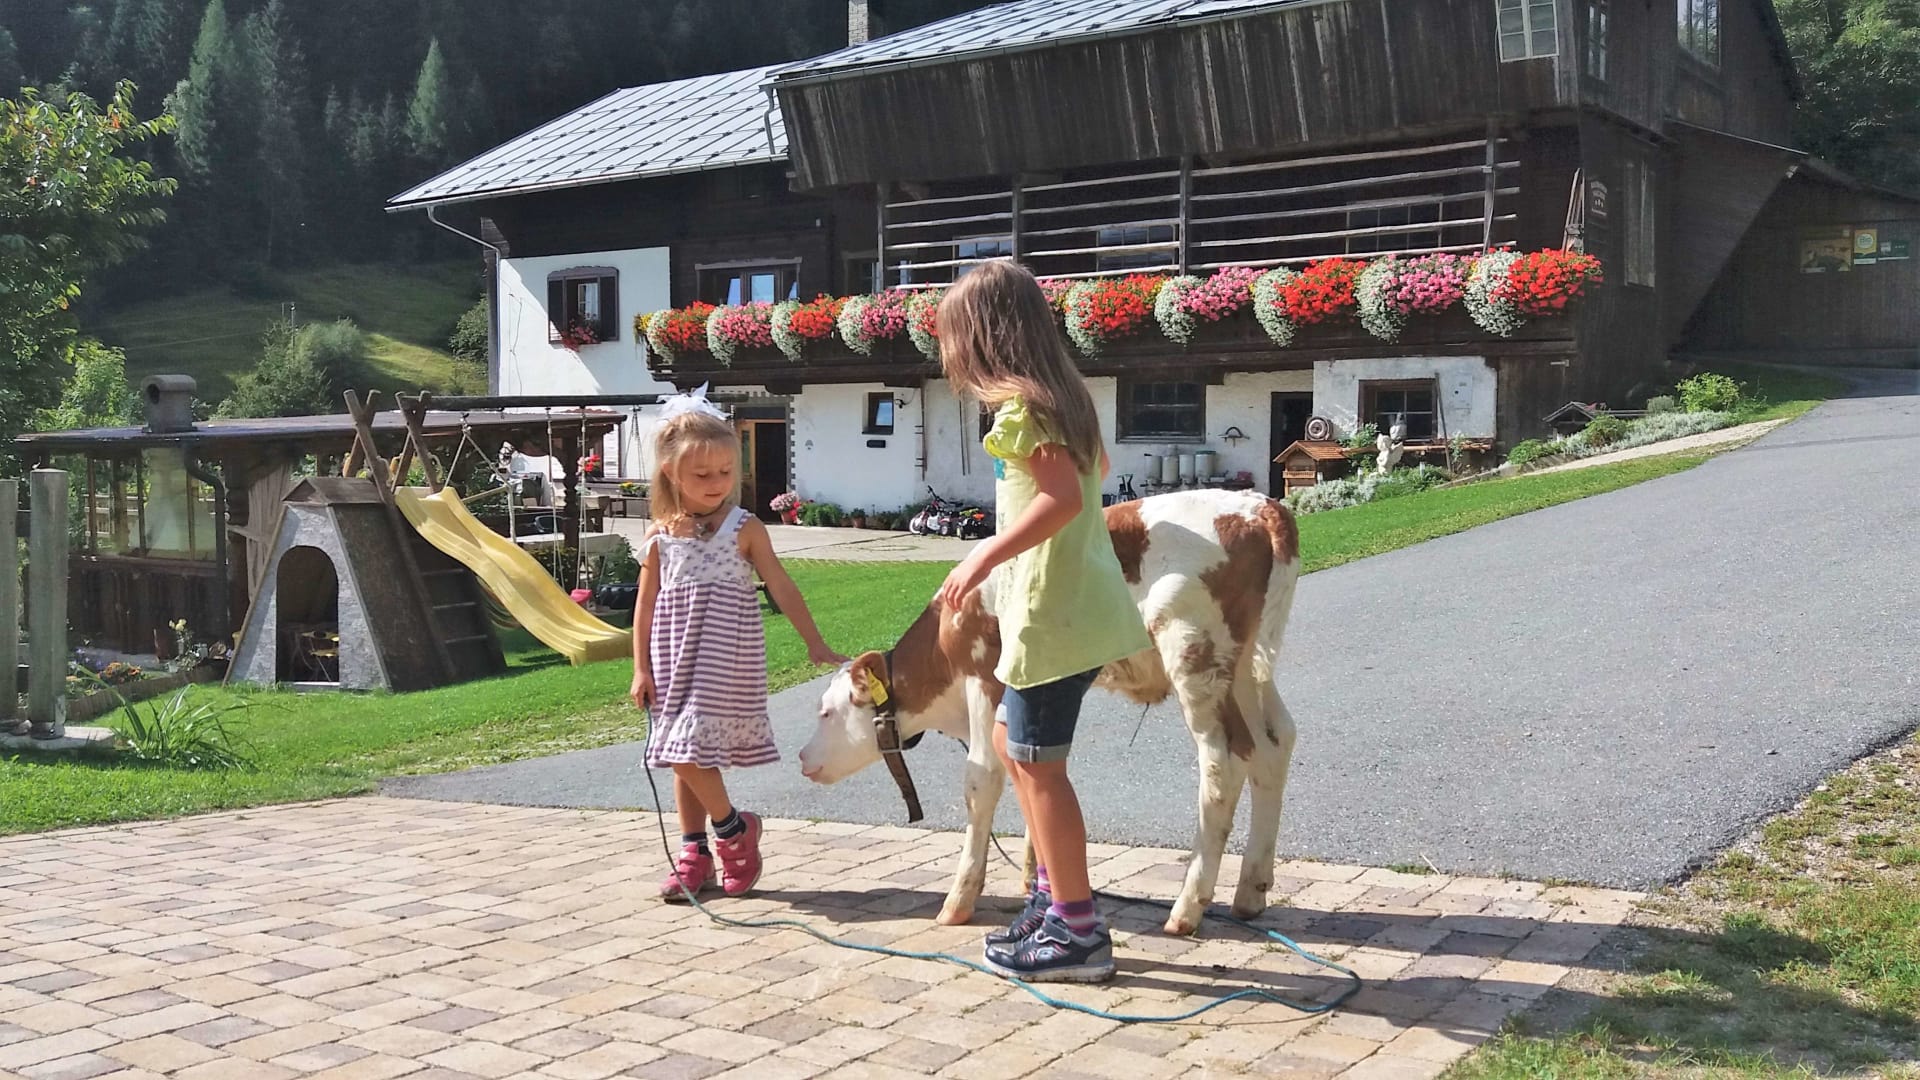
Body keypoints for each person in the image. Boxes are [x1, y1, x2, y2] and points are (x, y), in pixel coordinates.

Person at [932, 261, 1153, 983]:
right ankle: (1052, 898)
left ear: (982, 339)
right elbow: (1087, 477)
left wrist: (981, 556)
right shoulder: (1062, 402)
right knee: (1009, 740)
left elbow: (1062, 499)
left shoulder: (1027, 411)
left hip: (1054, 619)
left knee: (1039, 765)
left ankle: (1077, 930)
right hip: (1064, 611)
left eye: (953, 339)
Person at [632, 385, 846, 901]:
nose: (717, 483)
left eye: (725, 472)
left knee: (685, 747)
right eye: (702, 475)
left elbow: (780, 584)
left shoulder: (743, 527)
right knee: (685, 753)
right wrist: (640, 668)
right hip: (672, 657)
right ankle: (699, 851)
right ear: (671, 473)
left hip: (725, 657)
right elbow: (644, 606)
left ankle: (729, 832)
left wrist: (814, 642)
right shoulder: (660, 536)